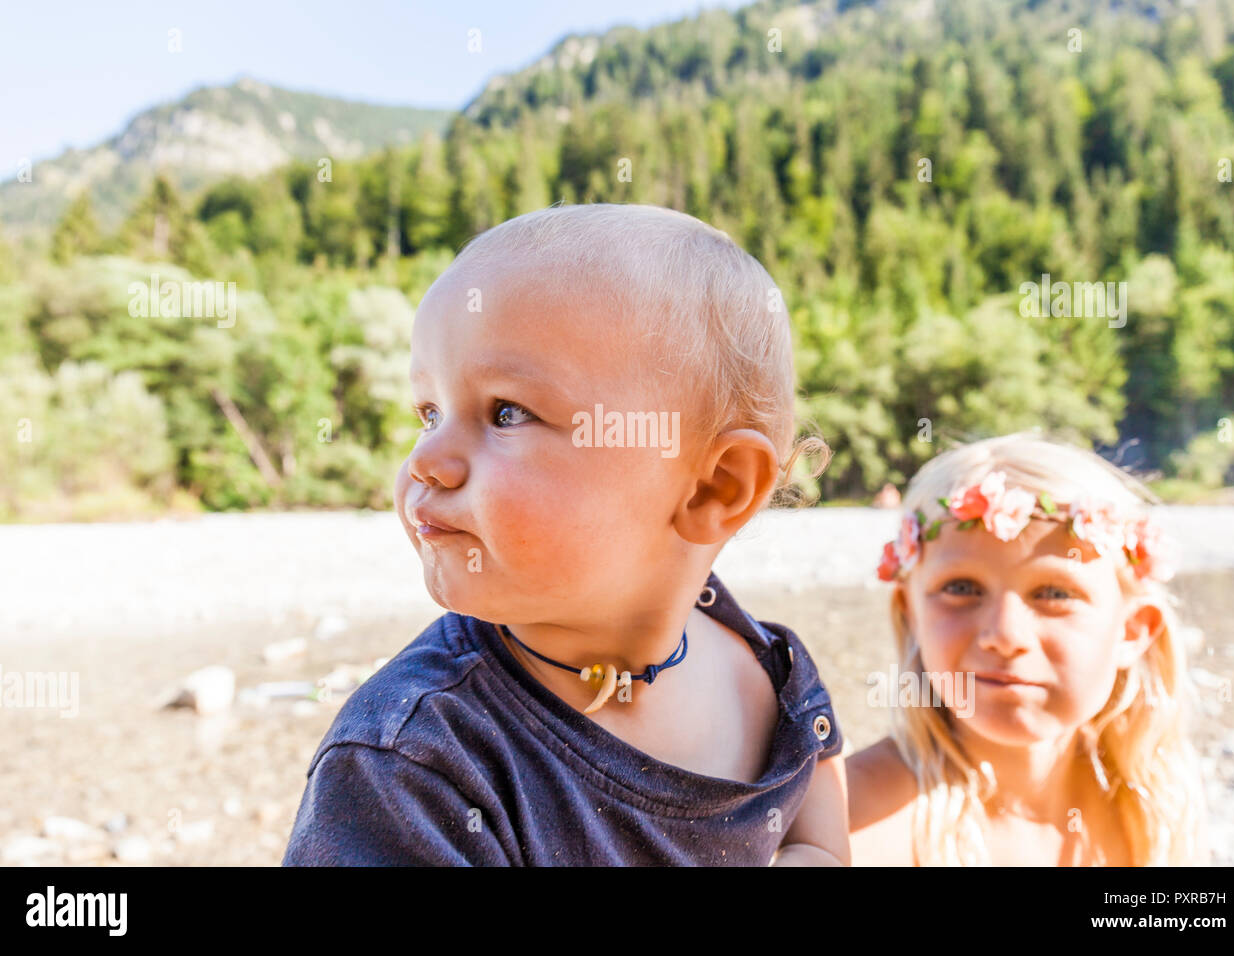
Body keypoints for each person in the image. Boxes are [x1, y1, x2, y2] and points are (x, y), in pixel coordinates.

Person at [283, 203, 849, 866]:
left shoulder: (767, 673)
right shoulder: (412, 770)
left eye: (506, 412)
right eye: (429, 412)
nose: (424, 461)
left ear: (714, 488)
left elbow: (817, 840)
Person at [845, 432, 1207, 865]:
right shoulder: (857, 817)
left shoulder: (1156, 804)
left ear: (1131, 630)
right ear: (911, 614)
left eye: (1054, 593)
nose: (1005, 634)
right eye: (961, 588)